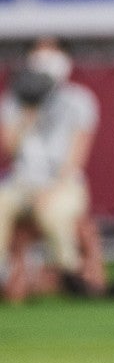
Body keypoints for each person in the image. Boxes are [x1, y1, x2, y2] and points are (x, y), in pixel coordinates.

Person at [0, 38, 104, 300]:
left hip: (63, 183)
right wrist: (27, 113)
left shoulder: (80, 101)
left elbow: (76, 159)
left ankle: (72, 273)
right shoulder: (13, 101)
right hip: (21, 182)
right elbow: (9, 150)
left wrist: (50, 190)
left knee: (55, 213)